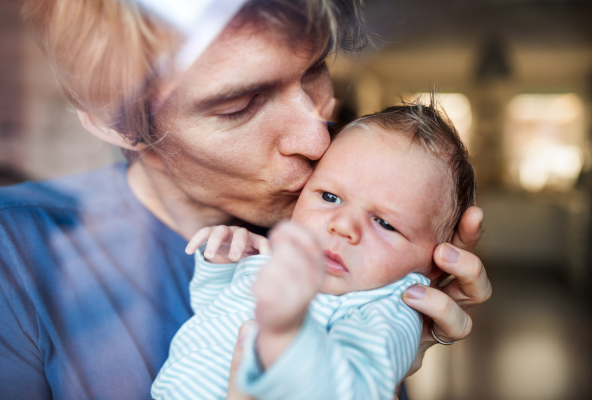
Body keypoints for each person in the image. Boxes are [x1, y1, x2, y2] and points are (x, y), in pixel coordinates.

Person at [0, 0, 491, 399]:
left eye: (315, 69)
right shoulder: (13, 259)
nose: (319, 141)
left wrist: (401, 339)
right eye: (239, 105)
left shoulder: (341, 252)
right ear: (113, 122)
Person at [151, 100, 477, 400]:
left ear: (433, 266)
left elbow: (359, 390)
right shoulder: (280, 259)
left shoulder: (387, 310)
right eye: (329, 197)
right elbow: (213, 318)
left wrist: (290, 333)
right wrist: (223, 266)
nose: (343, 226)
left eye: (385, 223)